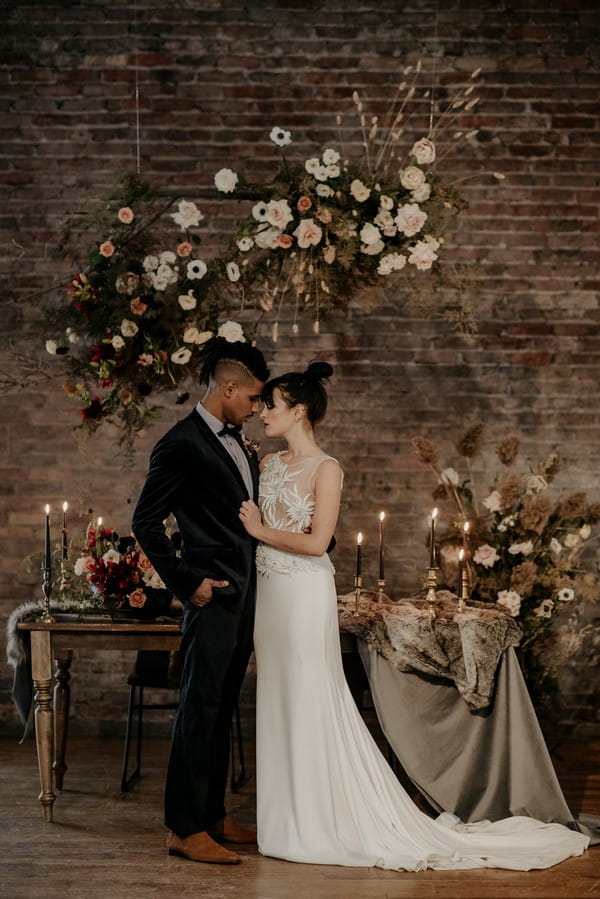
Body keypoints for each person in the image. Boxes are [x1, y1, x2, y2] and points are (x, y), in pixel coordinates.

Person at [238, 360, 590, 872]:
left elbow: (317, 544)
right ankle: (284, 819)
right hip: (268, 596)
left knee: (310, 696)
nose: (261, 412)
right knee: (277, 698)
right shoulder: (268, 465)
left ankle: (320, 821)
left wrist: (259, 531)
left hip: (302, 593)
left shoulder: (327, 469)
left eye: (269, 405)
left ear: (298, 411)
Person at [132, 335, 269, 865]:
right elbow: (145, 522)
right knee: (198, 706)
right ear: (228, 387)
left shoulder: (234, 439)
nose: (257, 408)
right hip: (208, 596)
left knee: (221, 706)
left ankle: (212, 815)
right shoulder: (180, 442)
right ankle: (182, 828)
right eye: (253, 398)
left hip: (243, 596)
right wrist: (189, 582)